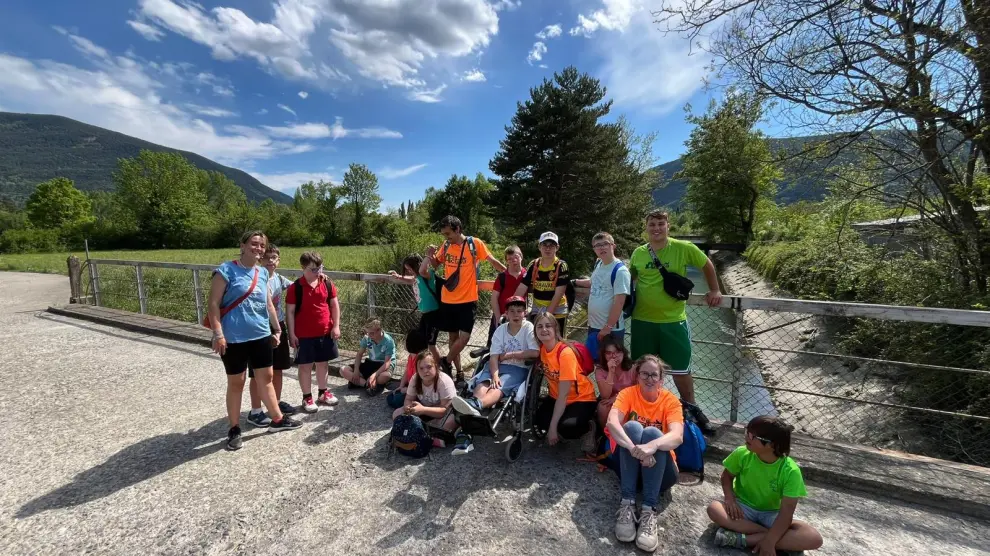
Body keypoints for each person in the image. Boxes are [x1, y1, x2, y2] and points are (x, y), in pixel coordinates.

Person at [629, 209, 723, 435]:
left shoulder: (683, 248)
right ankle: (642, 408)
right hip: (642, 320)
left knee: (681, 369)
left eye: (661, 223)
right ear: (647, 227)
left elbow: (706, 264)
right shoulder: (639, 253)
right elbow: (630, 279)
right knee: (641, 368)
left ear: (668, 226)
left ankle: (691, 408)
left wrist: (715, 289)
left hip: (673, 321)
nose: (656, 228)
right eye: (652, 224)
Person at [207, 230, 302, 451]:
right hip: (234, 338)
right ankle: (234, 428)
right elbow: (213, 304)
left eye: (261, 245)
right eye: (254, 244)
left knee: (266, 378)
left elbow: (269, 305)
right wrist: (218, 334)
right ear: (242, 245)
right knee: (237, 382)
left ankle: (277, 419)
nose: (258, 248)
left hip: (261, 335)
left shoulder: (261, 272)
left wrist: (277, 330)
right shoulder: (226, 270)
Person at [707, 416, 823, 555]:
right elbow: (727, 477)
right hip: (742, 509)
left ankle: (743, 540)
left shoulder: (790, 471)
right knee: (714, 509)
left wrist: (770, 541)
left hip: (771, 514)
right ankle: (767, 536)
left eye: (752, 436)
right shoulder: (742, 453)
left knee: (813, 538)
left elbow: (786, 512)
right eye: (747, 432)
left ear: (771, 444)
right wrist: (730, 499)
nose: (746, 438)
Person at [606, 355, 685, 553]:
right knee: (631, 427)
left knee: (652, 433)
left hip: (661, 475)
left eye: (654, 375)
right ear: (637, 376)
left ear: (661, 379)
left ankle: (649, 509)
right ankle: (628, 504)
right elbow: (612, 423)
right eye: (644, 374)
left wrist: (652, 447)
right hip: (630, 470)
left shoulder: (671, 401)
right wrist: (635, 449)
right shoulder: (627, 394)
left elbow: (677, 436)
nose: (649, 379)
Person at [450, 296, 540, 454]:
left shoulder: (529, 329)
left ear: (525, 313)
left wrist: (511, 354)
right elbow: (493, 357)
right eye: (512, 311)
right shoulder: (500, 330)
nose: (516, 314)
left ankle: (475, 406)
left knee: (498, 386)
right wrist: (495, 375)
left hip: (519, 368)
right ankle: (474, 407)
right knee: (485, 382)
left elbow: (535, 352)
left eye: (519, 311)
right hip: (496, 365)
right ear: (506, 313)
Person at [426, 215, 506, 384]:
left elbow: (492, 261)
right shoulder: (446, 245)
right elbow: (436, 265)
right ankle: (457, 373)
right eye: (444, 234)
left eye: (448, 234)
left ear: (458, 229)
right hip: (448, 299)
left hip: (467, 300)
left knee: (465, 338)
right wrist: (431, 256)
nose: (445, 237)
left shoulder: (474, 244)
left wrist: (511, 274)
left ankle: (445, 361)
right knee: (453, 339)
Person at [246, 244, 298, 427]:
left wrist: (319, 275)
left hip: (278, 325)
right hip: (258, 328)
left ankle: (275, 402)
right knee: (256, 372)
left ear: (278, 260)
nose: (270, 260)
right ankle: (255, 410)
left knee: (278, 368)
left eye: (273, 257)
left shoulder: (279, 279)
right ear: (260, 259)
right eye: (267, 257)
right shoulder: (254, 277)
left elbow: (298, 287)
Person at [532, 312, 599, 450]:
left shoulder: (565, 353)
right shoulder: (543, 349)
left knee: (567, 427)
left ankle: (590, 428)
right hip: (556, 397)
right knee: (539, 420)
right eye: (539, 327)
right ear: (535, 331)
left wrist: (552, 428)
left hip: (580, 398)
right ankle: (558, 429)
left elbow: (564, 395)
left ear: (555, 329)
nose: (544, 329)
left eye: (548, 326)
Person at [286, 251, 341, 412]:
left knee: (323, 364)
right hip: (304, 335)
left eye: (319, 268)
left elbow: (334, 306)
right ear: (303, 268)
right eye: (313, 269)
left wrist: (336, 325)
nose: (318, 272)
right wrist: (292, 334)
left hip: (325, 332)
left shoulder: (327, 283)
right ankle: (307, 397)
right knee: (305, 367)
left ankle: (323, 393)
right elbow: (289, 312)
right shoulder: (295, 288)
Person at [572, 232, 631, 360]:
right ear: (594, 249)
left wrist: (607, 327)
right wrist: (574, 282)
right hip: (594, 326)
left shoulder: (620, 271)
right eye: (597, 245)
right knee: (596, 364)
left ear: (613, 246)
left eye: (605, 244)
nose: (601, 248)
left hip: (610, 330)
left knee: (611, 366)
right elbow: (593, 283)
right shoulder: (599, 264)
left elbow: (619, 302)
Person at [392, 350, 459, 448]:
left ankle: (418, 434)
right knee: (397, 413)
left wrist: (423, 410)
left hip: (441, 414)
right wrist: (408, 408)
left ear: (436, 366)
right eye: (421, 368)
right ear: (417, 370)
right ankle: (427, 435)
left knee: (451, 421)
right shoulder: (415, 379)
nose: (425, 371)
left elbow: (444, 410)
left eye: (429, 367)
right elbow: (408, 399)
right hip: (422, 411)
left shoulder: (444, 381)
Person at [388, 253, 443, 366]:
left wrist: (429, 255)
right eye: (407, 269)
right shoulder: (417, 278)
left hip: (434, 314)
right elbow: (411, 279)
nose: (408, 271)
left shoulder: (427, 274)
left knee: (431, 344)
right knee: (424, 343)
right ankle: (430, 364)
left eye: (410, 268)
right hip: (425, 314)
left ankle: (441, 365)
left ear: (416, 266)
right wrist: (399, 276)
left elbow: (422, 270)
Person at [515, 231, 570, 334]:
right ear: (539, 247)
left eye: (551, 245)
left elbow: (559, 294)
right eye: (544, 245)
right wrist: (511, 306)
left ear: (557, 248)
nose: (547, 248)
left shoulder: (561, 266)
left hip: (557, 309)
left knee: (557, 340)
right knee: (537, 339)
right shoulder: (534, 264)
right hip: (538, 308)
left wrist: (547, 316)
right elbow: (522, 286)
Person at [341, 318, 396, 395]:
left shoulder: (388, 341)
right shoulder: (367, 338)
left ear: (379, 330)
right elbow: (359, 354)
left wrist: (374, 375)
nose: (369, 336)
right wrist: (356, 370)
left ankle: (359, 382)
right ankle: (368, 385)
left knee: (385, 376)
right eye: (367, 333)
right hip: (371, 362)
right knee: (343, 370)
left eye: (372, 333)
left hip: (383, 365)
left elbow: (387, 363)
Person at [594, 335, 637, 427]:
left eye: (617, 352)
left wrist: (617, 397)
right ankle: (605, 434)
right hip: (609, 399)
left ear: (623, 353)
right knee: (602, 407)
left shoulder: (633, 368)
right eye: (609, 353)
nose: (613, 356)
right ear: (604, 355)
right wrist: (611, 372)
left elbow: (638, 390)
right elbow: (605, 395)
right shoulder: (600, 370)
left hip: (630, 398)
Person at [488, 245, 527, 345]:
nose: (513, 260)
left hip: (518, 315)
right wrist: (497, 318)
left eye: (516, 257)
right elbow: (494, 298)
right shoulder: (502, 276)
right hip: (501, 315)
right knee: (495, 344)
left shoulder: (527, 275)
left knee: (516, 344)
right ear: (506, 261)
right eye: (509, 259)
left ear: (521, 257)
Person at [386, 328, 430, 410]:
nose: (404, 342)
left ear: (411, 343)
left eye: (406, 340)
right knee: (391, 397)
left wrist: (407, 390)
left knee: (395, 400)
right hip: (410, 386)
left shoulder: (421, 360)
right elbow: (406, 372)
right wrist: (401, 386)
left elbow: (421, 384)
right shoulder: (411, 356)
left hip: (419, 391)